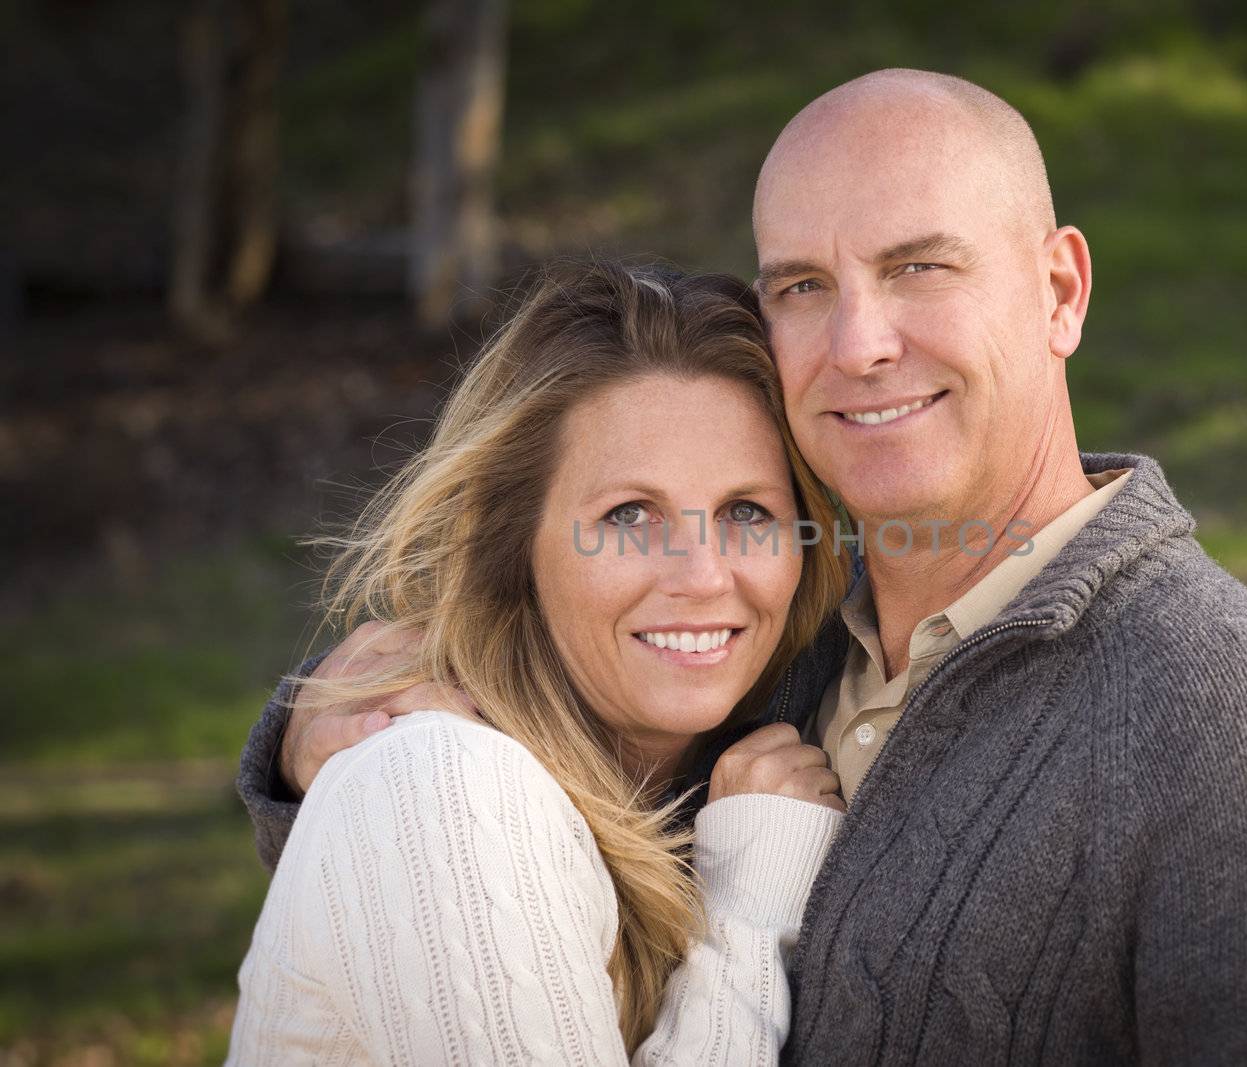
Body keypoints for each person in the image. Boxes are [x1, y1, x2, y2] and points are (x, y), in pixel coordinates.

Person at [239, 70, 1247, 1063]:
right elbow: (469, 876)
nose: (860, 343)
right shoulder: (767, 647)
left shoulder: (1231, 716)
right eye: (804, 287)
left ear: (1060, 289)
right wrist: (333, 725)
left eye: (921, 266)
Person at [225, 261, 853, 1064]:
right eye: (629, 515)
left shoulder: (742, 737)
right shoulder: (443, 788)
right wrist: (748, 919)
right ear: (510, 544)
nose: (703, 576)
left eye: (746, 511)